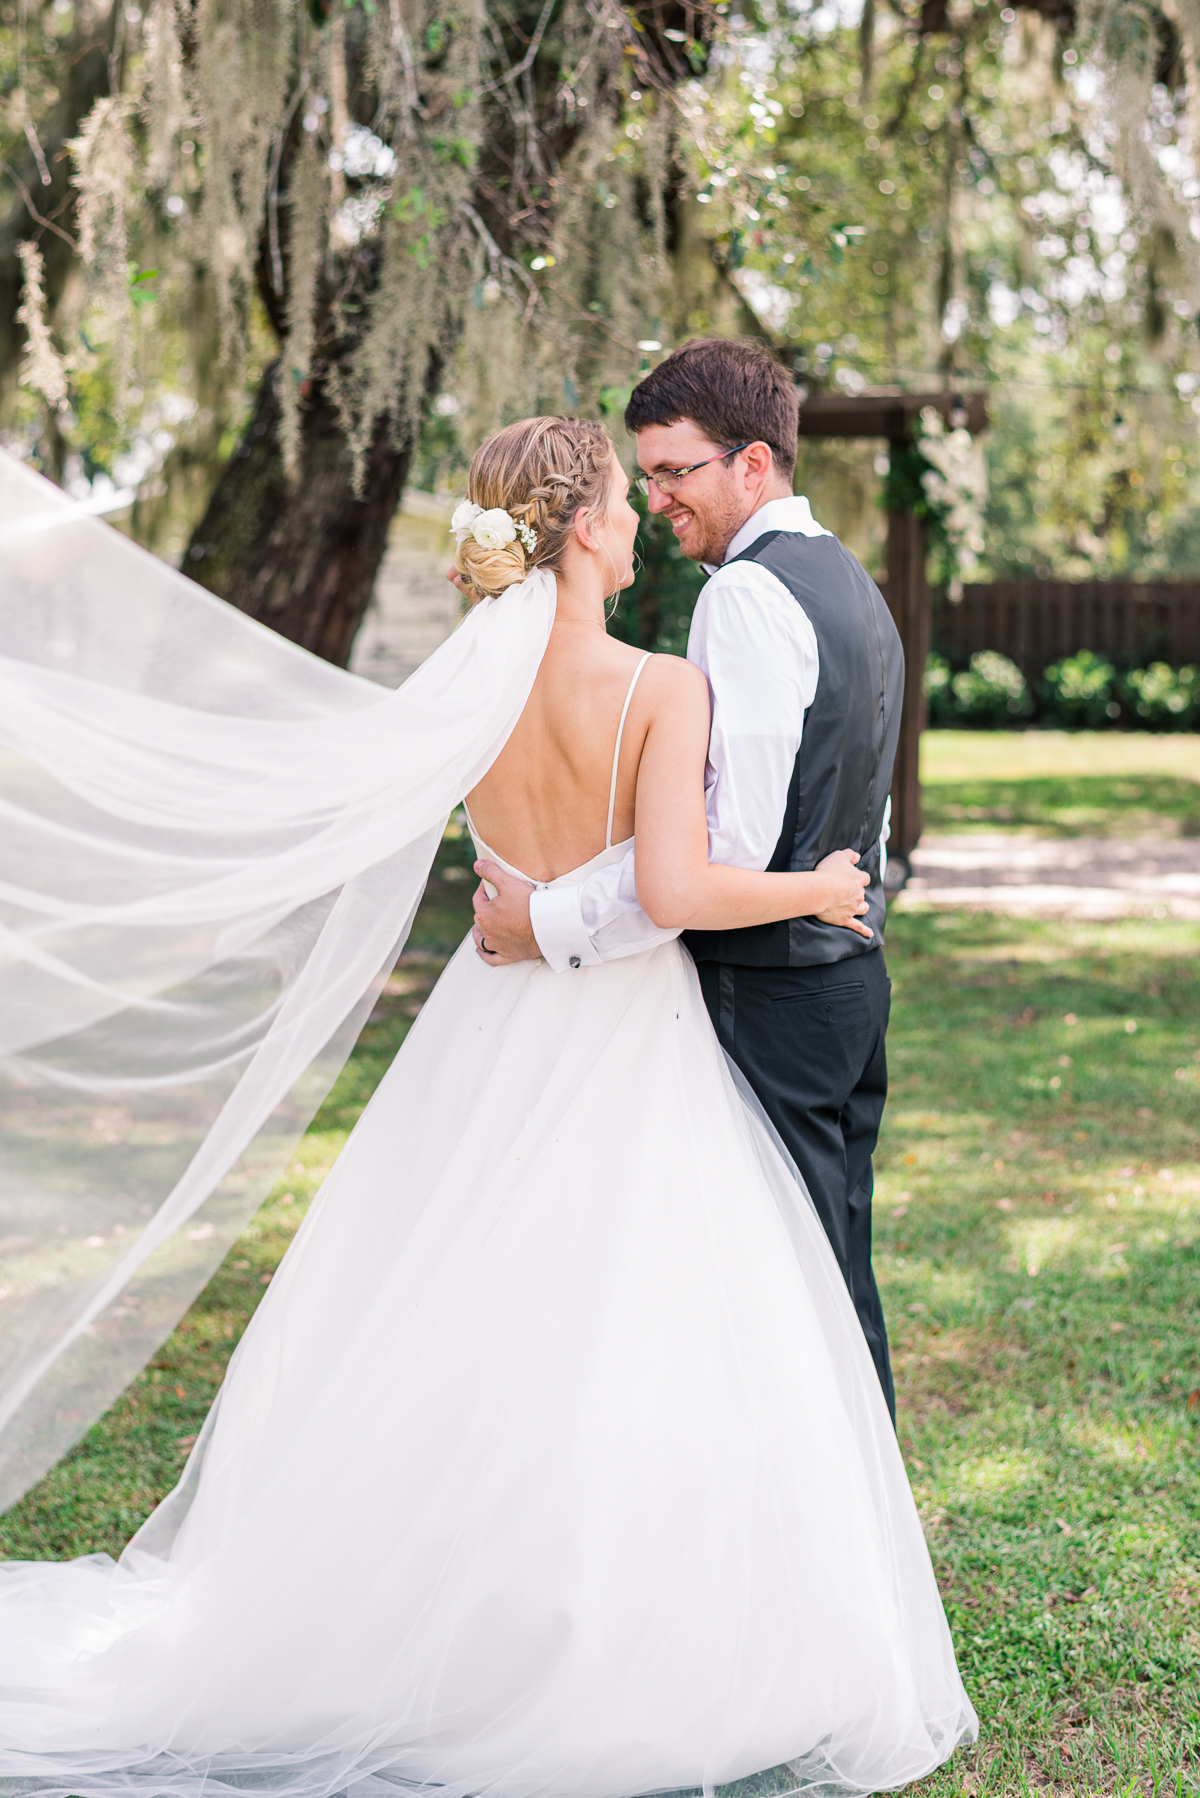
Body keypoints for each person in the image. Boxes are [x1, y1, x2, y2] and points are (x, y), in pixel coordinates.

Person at [0, 418, 975, 1796]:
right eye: (625, 501)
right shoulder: (656, 685)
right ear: (580, 529)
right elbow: (682, 894)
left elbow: (514, 874)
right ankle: (624, 1624)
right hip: (625, 1035)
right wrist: (820, 889)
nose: (643, 517)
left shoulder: (470, 694)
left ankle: (437, 1614)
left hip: (485, 1023)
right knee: (630, 1323)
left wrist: (532, 905)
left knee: (460, 1308)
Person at [471, 340, 903, 1419]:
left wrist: (546, 921)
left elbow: (720, 860)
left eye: (676, 473)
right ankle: (862, 1521)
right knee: (827, 1262)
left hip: (772, 986)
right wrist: (837, 893)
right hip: (845, 976)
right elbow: (862, 802)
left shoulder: (745, 600)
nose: (658, 498)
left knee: (787, 1284)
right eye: (646, 477)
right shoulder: (849, 582)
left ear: (752, 463)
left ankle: (846, 1534)